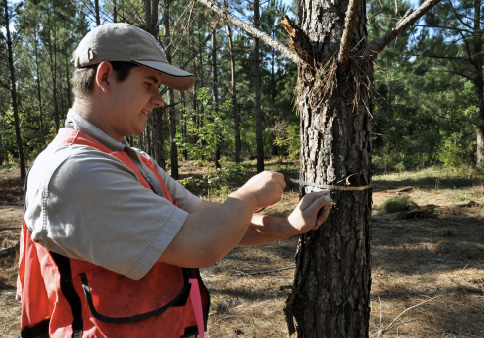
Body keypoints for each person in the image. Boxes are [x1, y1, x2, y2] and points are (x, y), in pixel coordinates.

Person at [17, 23, 331, 338]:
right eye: (149, 84)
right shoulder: (74, 171)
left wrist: (290, 224)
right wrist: (249, 194)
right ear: (106, 76)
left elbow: (211, 222)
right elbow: (202, 244)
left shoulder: (132, 160)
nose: (159, 100)